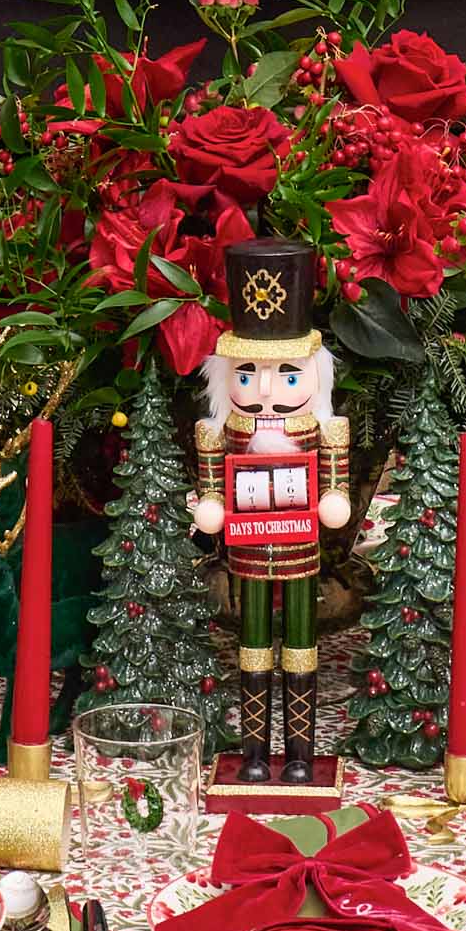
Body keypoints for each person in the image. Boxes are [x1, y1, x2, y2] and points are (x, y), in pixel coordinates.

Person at [194, 239, 350, 786]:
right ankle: (256, 751)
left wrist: (334, 500)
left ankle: (301, 751)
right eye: (245, 376)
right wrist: (211, 508)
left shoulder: (323, 430)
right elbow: (213, 491)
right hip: (250, 556)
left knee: (303, 648)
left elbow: (334, 491)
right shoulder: (222, 435)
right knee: (253, 647)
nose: (264, 394)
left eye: (287, 376)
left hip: (301, 553)